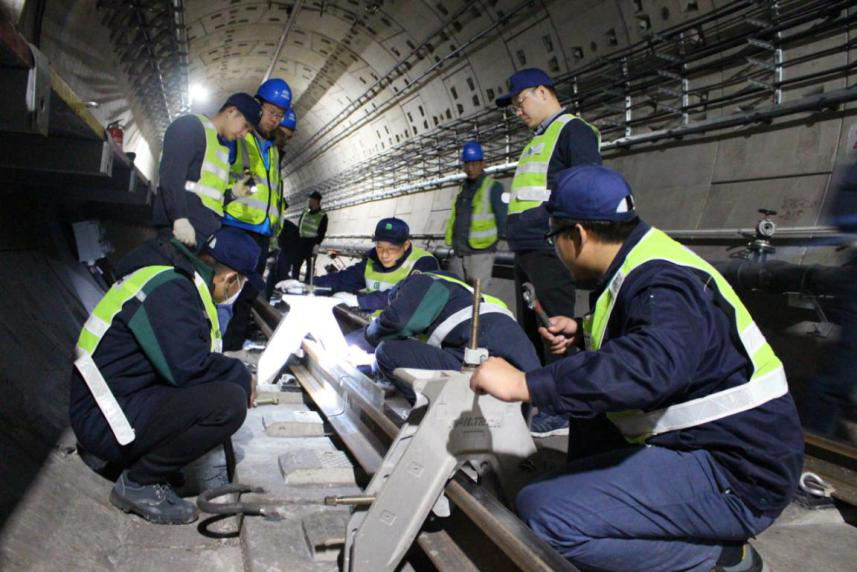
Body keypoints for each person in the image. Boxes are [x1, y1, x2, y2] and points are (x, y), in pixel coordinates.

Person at [470, 165, 804, 572]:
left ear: (578, 235)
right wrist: (582, 332)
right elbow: (654, 336)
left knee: (544, 515)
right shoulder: (641, 260)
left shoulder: (663, 282)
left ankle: (722, 560)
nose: (555, 248)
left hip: (739, 474)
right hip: (721, 446)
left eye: (554, 237)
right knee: (588, 414)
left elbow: (651, 367)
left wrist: (526, 383)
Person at [69, 227, 265, 525]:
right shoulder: (170, 290)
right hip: (103, 419)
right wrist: (239, 373)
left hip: (111, 404)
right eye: (243, 285)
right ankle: (139, 483)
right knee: (228, 403)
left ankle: (147, 461)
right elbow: (189, 368)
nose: (239, 292)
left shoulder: (175, 282)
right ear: (229, 279)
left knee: (216, 390)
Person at [496, 68, 603, 434]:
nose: (518, 112)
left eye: (520, 102)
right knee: (534, 332)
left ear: (542, 92)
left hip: (549, 245)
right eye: (514, 107)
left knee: (556, 330)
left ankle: (563, 408)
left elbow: (587, 187)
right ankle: (540, 399)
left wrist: (560, 232)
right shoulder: (538, 140)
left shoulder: (573, 131)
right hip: (527, 247)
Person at [368, 271, 539, 402]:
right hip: (526, 374)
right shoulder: (464, 294)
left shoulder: (420, 281)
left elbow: (398, 321)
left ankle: (430, 412)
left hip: (480, 352)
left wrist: (368, 335)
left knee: (386, 352)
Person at [222, 78, 292, 350]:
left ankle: (233, 349)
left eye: (280, 115)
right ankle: (217, 346)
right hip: (236, 227)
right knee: (225, 294)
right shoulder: (240, 136)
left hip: (260, 235)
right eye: (272, 112)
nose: (275, 119)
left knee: (248, 296)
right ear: (257, 106)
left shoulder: (272, 149)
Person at [152, 93, 262, 249]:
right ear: (231, 111)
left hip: (201, 236)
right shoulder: (191, 126)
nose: (243, 134)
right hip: (179, 232)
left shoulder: (220, 149)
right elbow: (171, 175)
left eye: (248, 131)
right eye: (245, 126)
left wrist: (233, 193)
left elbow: (210, 198)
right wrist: (179, 219)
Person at [286, 217, 439, 313]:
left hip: (409, 337)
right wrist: (306, 285)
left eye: (392, 249)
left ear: (406, 245)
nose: (384, 255)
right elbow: (341, 280)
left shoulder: (423, 262)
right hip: (377, 328)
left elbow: (410, 296)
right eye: (380, 247)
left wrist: (360, 301)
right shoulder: (372, 261)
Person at [444, 140, 507, 292]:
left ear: (482, 164)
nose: (470, 168)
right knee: (457, 293)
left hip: (480, 253)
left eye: (474, 164)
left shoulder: (493, 187)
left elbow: (502, 217)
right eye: (467, 164)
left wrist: (495, 244)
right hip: (459, 251)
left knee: (478, 295)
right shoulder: (463, 188)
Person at [292, 191, 329, 283]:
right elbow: (299, 226)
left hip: (312, 243)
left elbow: (322, 232)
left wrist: (317, 244)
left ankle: (307, 284)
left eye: (311, 200)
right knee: (296, 264)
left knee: (310, 266)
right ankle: (293, 283)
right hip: (301, 242)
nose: (309, 201)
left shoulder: (322, 215)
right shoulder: (305, 212)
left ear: (316, 201)